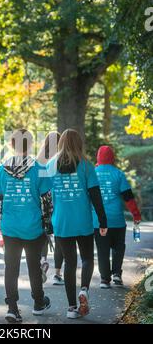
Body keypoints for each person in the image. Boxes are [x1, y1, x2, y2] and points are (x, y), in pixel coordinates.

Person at [0, 129, 52, 323]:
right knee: (34, 267)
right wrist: (48, 225)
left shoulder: (1, 169)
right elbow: (47, 201)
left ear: (11, 145)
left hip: (9, 227)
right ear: (31, 144)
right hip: (33, 227)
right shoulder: (39, 169)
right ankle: (38, 302)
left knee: (11, 267)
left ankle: (12, 308)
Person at [47, 129, 107, 319]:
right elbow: (96, 196)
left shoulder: (50, 165)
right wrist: (103, 220)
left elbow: (44, 197)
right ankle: (84, 290)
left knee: (70, 264)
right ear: (79, 143)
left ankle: (72, 308)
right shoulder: (87, 166)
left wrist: (47, 223)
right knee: (88, 258)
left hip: (61, 222)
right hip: (83, 221)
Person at [93, 146, 141, 289]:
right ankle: (117, 275)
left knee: (102, 250)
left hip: (98, 221)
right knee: (119, 248)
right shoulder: (118, 174)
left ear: (98, 157)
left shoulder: (93, 174)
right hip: (117, 220)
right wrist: (136, 215)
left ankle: (104, 280)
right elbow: (128, 197)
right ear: (112, 157)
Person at [37, 131, 64, 285]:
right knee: (59, 238)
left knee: (44, 237)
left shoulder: (39, 160)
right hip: (59, 201)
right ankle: (58, 274)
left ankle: (42, 261)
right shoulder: (61, 159)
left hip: (43, 202)